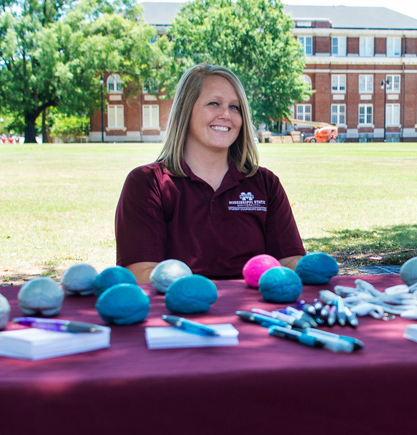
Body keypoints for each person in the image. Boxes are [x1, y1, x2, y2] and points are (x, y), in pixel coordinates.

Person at [115, 64, 306, 282]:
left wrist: (312, 268)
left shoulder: (265, 183)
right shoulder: (148, 184)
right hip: (181, 309)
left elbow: (290, 262)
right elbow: (141, 274)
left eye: (235, 107)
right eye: (214, 103)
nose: (226, 114)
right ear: (185, 111)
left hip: (256, 313)